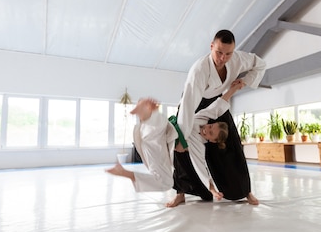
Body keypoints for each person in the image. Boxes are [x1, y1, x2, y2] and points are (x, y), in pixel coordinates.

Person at [105, 82, 242, 204]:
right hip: (163, 131)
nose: (207, 129)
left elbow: (201, 169)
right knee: (161, 126)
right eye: (211, 126)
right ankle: (147, 113)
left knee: (166, 183)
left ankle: (127, 173)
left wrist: (212, 190)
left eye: (211, 133)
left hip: (160, 149)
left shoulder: (199, 146)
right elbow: (218, 106)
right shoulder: (202, 119)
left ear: (213, 141)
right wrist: (233, 90)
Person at [175, 30, 266, 204]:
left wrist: (245, 81)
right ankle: (181, 192)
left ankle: (245, 190)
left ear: (234, 51)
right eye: (219, 52)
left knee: (232, 143)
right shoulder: (199, 70)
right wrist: (181, 137)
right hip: (194, 103)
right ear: (211, 47)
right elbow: (187, 106)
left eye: (228, 53)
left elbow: (261, 64)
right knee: (181, 147)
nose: (223, 58)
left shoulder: (239, 59)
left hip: (217, 101)